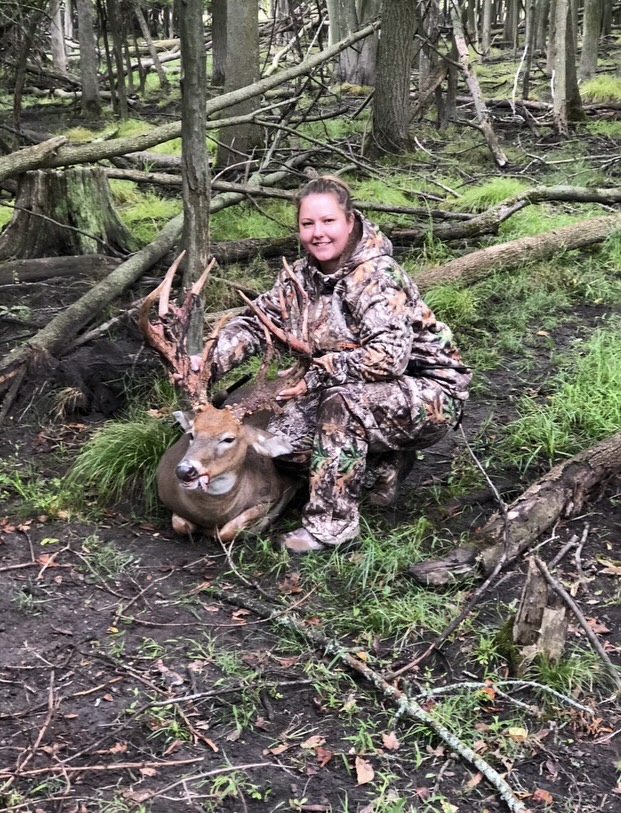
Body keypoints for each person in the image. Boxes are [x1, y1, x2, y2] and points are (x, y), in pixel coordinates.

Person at [211, 175, 472, 553]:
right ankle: (384, 467)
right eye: (308, 224)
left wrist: (320, 372)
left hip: (431, 392)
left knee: (342, 408)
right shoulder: (303, 276)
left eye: (328, 221)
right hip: (357, 385)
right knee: (283, 445)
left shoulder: (377, 276)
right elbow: (258, 322)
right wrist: (211, 358)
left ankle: (331, 527)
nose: (318, 233)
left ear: (349, 221)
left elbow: (389, 358)